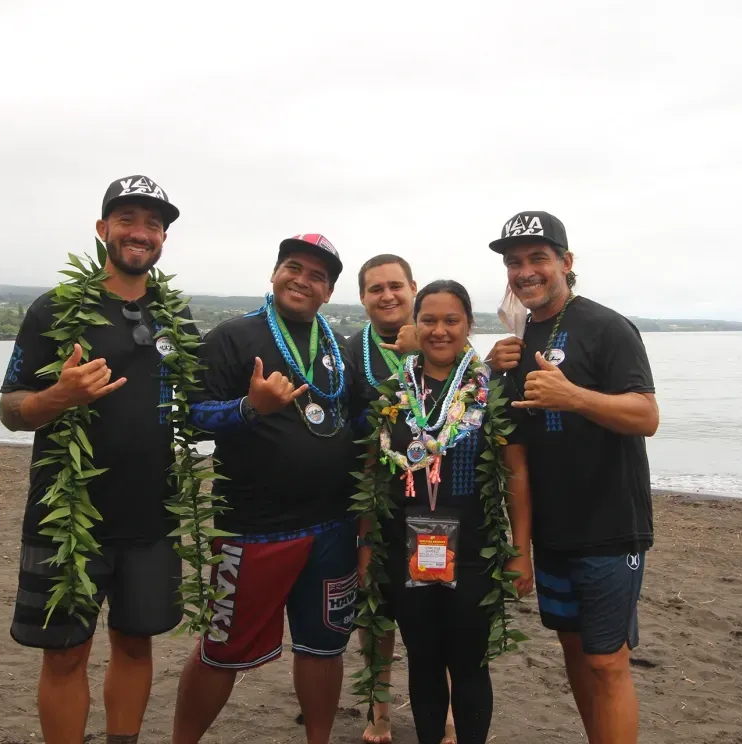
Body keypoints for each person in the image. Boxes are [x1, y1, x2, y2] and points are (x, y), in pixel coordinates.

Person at [0, 175, 189, 744]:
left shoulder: (175, 319)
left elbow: (198, 408)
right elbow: (11, 409)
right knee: (64, 654)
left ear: (163, 240)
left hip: (151, 518)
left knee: (135, 643)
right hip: (67, 520)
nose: (140, 232)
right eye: (127, 219)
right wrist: (61, 396)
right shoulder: (55, 309)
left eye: (153, 224)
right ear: (103, 228)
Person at [172, 234, 361, 744]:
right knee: (222, 649)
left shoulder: (341, 348)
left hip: (334, 527)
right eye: (293, 268)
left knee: (325, 647)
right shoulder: (233, 338)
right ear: (274, 273)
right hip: (254, 528)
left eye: (317, 276)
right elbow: (189, 417)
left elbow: (362, 419)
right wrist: (248, 408)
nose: (302, 279)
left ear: (329, 292)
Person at [484, 211, 659, 744]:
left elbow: (646, 416)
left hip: (610, 527)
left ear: (567, 261)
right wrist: (521, 548)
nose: (526, 271)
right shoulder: (517, 340)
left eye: (539, 258)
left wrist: (573, 397)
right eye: (515, 263)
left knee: (607, 662)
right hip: (554, 534)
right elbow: (516, 457)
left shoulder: (607, 326)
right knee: (576, 655)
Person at [356, 280, 534, 744]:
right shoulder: (392, 393)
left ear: (468, 326)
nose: (439, 330)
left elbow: (515, 475)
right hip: (405, 549)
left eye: (451, 320)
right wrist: (366, 550)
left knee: (471, 662)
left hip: (474, 550)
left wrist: (520, 552)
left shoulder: (491, 389)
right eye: (429, 320)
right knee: (423, 660)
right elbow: (374, 478)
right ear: (415, 324)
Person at [344, 255, 455, 744]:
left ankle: (445, 714)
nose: (386, 296)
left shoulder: (441, 344)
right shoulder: (350, 353)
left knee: (439, 612)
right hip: (374, 501)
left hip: (436, 504)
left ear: (413, 288)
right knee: (375, 609)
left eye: (395, 286)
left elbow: (475, 386)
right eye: (375, 289)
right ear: (363, 297)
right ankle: (380, 710)